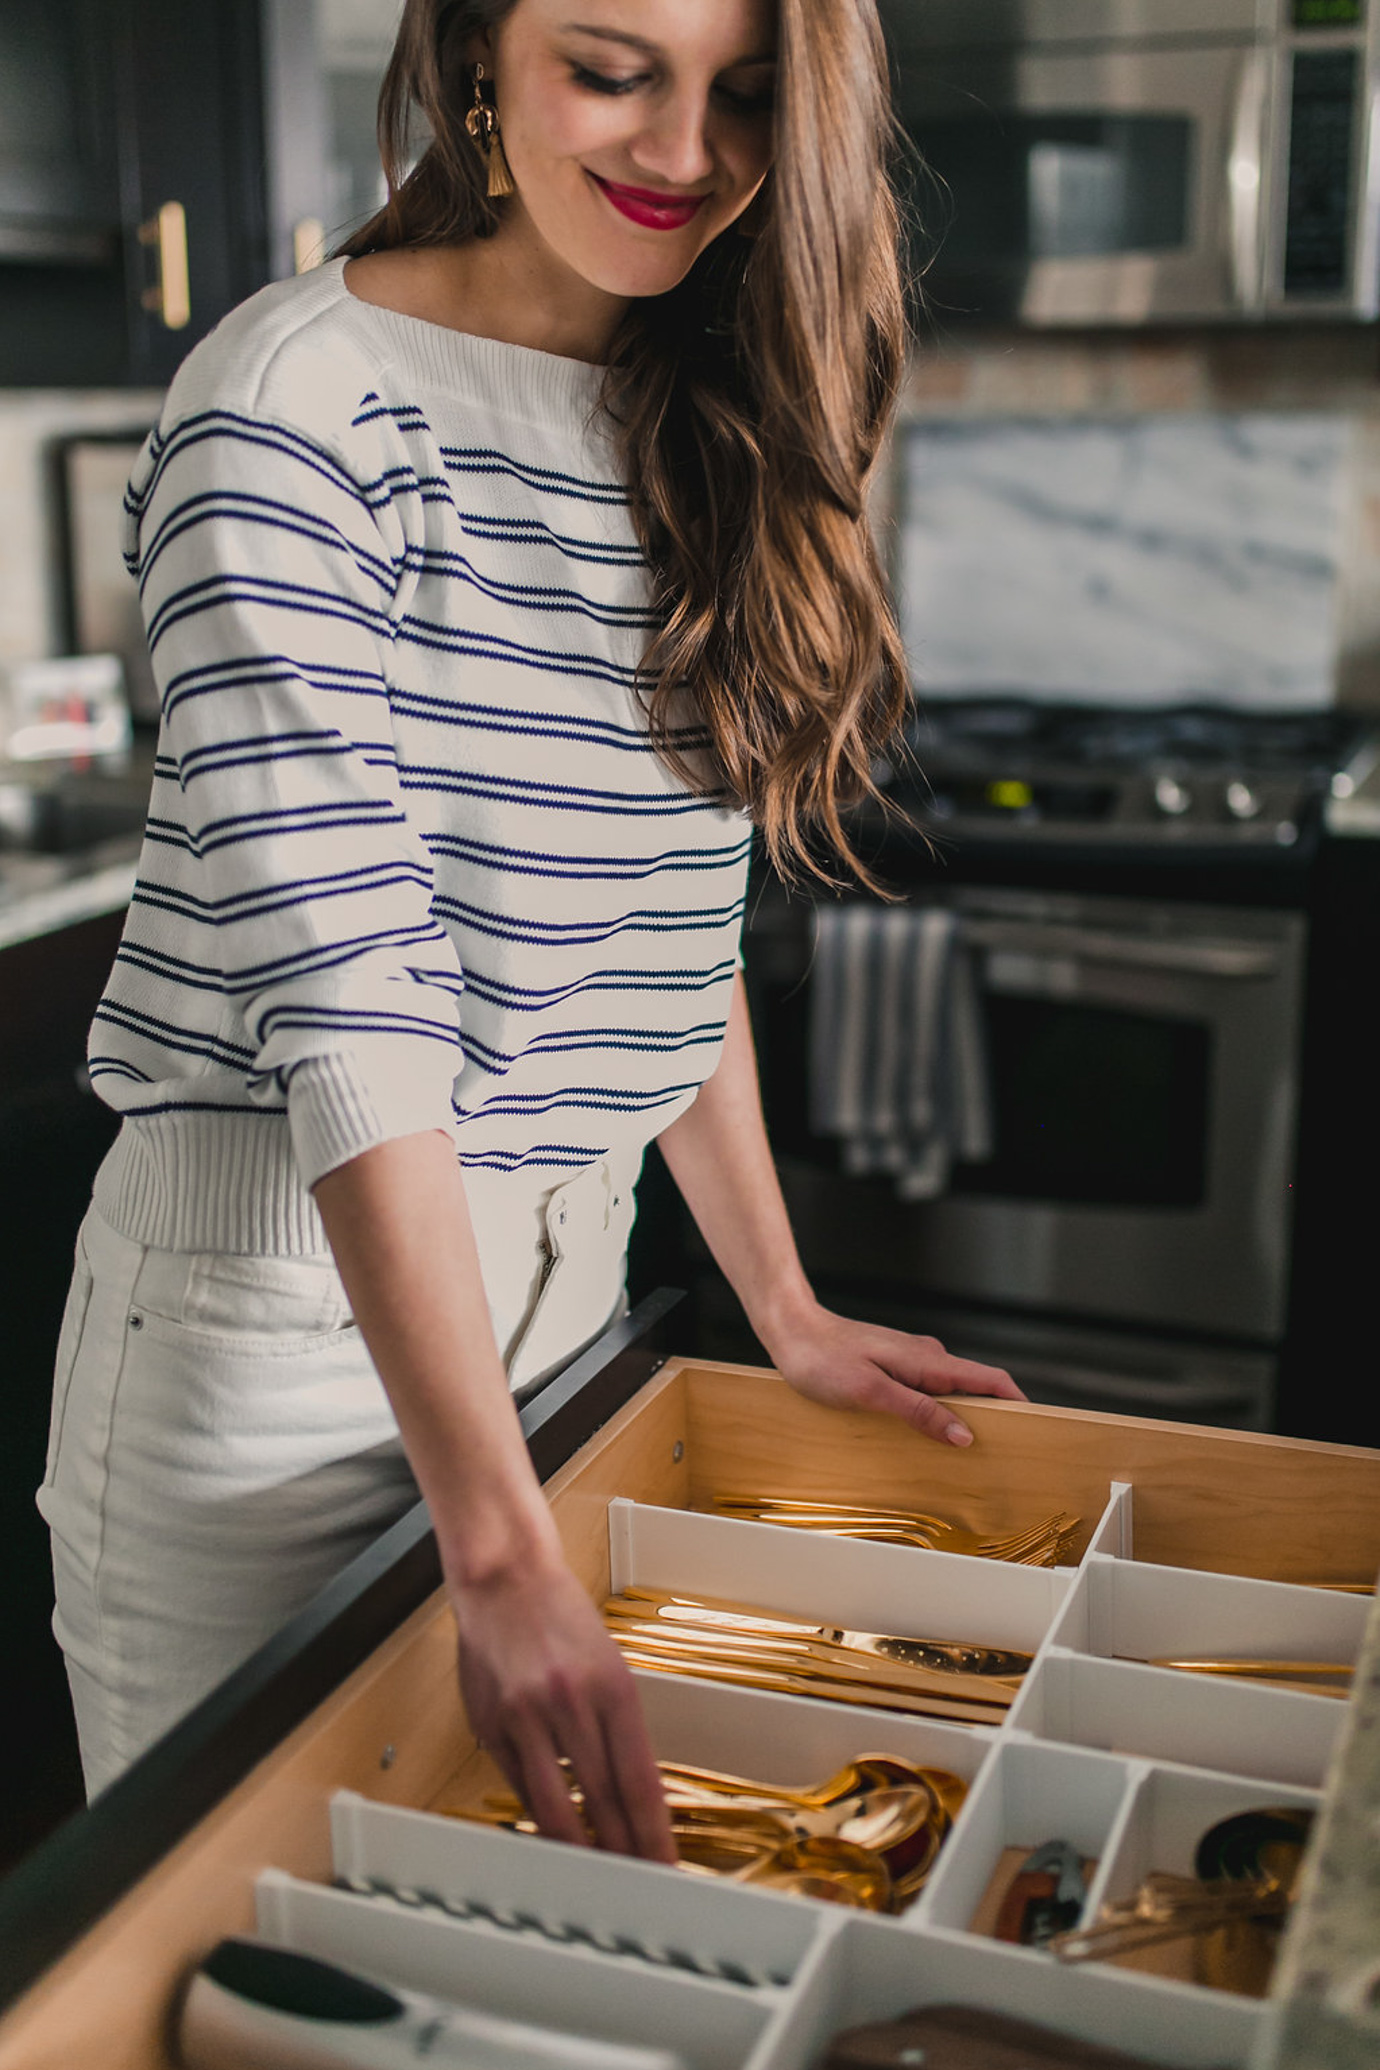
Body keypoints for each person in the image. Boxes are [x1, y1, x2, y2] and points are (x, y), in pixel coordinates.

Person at [38, 0, 1022, 1856]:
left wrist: (782, 1302)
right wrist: (495, 1533)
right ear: (477, 55)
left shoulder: (702, 397)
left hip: (567, 1303)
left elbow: (661, 913)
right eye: (612, 68)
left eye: (745, 94)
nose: (685, 156)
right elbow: (354, 994)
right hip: (289, 1340)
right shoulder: (297, 404)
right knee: (247, 1968)